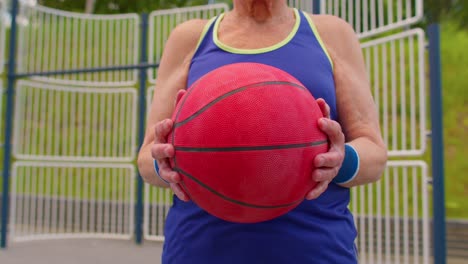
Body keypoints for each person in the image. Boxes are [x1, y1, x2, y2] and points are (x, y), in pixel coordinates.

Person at [137, 0, 387, 263]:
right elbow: (146, 158)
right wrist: (162, 162)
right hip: (201, 249)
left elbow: (374, 155)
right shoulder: (190, 39)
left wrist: (339, 160)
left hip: (314, 249)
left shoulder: (331, 35)